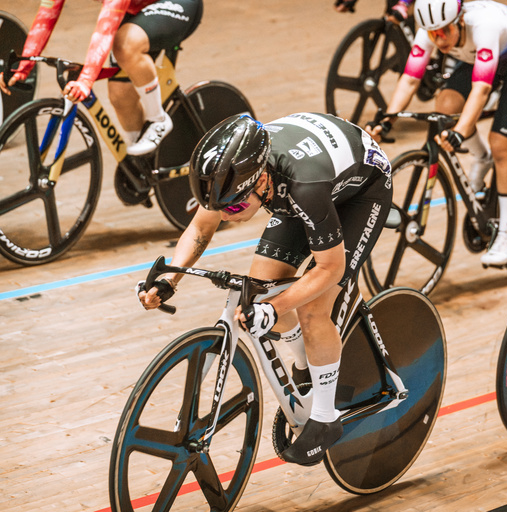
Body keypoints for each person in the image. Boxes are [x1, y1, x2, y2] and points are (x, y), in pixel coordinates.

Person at [137, 112, 393, 466]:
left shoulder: (303, 186)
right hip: (307, 183)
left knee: (310, 308)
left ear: (262, 184)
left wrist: (276, 307)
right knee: (261, 289)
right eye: (220, 207)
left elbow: (329, 269)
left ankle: (325, 417)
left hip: (361, 191)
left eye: (236, 207)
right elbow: (200, 228)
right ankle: (306, 361)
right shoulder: (232, 177)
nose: (226, 216)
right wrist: (171, 278)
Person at [365, 0, 507, 267]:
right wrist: (388, 119)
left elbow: (481, 90)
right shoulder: (431, 28)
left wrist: (461, 131)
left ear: (460, 21)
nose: (438, 40)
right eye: (432, 34)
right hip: (478, 58)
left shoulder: (483, 26)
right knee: (446, 106)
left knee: (502, 144)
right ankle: (480, 157)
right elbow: (411, 78)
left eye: (444, 32)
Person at [0, 0, 203, 156]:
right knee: (120, 96)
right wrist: (23, 66)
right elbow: (46, 17)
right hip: (137, 9)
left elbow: (105, 30)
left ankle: (158, 119)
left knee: (124, 44)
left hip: (178, 4)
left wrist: (86, 80)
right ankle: (142, 157)